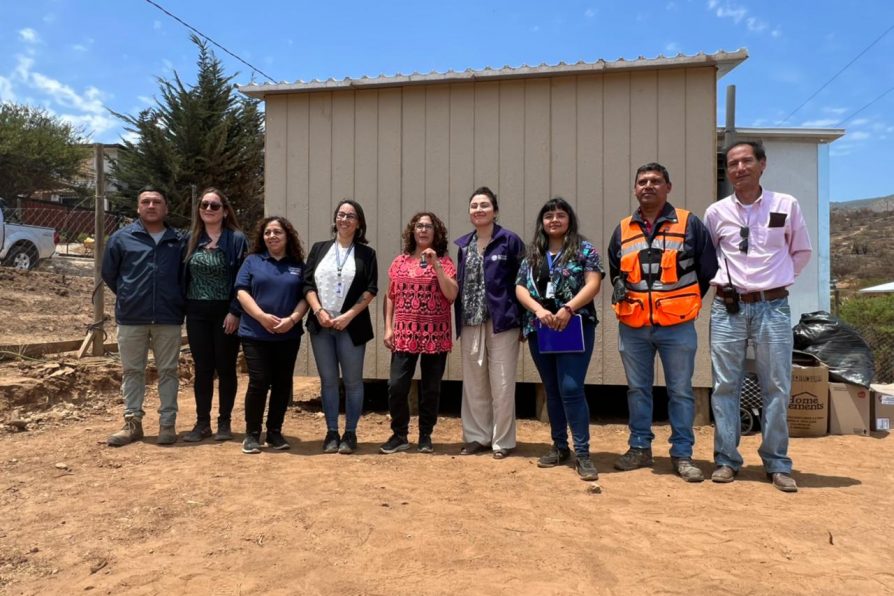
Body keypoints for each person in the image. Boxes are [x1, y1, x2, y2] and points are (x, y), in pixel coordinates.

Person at [705, 141, 812, 493]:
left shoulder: (786, 205)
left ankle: (777, 463)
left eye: (746, 161)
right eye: (733, 163)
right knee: (725, 385)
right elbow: (709, 258)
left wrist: (775, 283)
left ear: (762, 164)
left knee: (777, 385)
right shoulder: (716, 212)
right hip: (728, 308)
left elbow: (801, 251)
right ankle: (726, 460)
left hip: (774, 308)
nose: (739, 168)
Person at [608, 163, 718, 482]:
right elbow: (616, 268)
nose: (648, 186)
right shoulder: (623, 229)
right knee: (637, 390)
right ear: (634, 189)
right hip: (633, 325)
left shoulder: (689, 223)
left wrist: (685, 303)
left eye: (656, 181)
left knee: (681, 391)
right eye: (642, 182)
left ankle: (682, 454)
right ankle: (639, 448)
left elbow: (706, 269)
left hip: (677, 325)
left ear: (668, 187)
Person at [516, 198, 604, 481]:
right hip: (540, 327)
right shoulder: (533, 254)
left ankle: (583, 453)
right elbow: (519, 288)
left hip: (574, 325)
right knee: (551, 389)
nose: (554, 220)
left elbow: (594, 283)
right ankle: (559, 446)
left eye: (560, 215)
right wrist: (539, 310)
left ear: (569, 219)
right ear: (542, 222)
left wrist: (569, 308)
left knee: (571, 387)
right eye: (548, 216)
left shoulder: (584, 249)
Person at [102, 186, 185, 447]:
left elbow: (185, 277)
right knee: (132, 371)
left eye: (157, 202)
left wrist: (174, 299)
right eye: (146, 202)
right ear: (138, 208)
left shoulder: (179, 241)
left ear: (166, 208)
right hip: (131, 318)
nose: (151, 206)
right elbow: (110, 274)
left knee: (169, 371)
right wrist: (130, 295)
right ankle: (132, 424)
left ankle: (167, 424)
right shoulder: (121, 238)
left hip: (168, 318)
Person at [454, 187, 525, 459]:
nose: (479, 210)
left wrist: (523, 320)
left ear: (495, 210)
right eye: (474, 206)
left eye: (484, 205)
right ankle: (476, 437)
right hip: (471, 320)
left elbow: (523, 281)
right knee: (474, 383)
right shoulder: (464, 245)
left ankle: (503, 441)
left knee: (503, 383)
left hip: (503, 321)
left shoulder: (510, 241)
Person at [304, 200, 378, 455]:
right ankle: (332, 432)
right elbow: (306, 284)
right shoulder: (319, 249)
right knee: (328, 381)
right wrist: (318, 311)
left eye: (351, 216)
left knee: (353, 382)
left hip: (352, 326)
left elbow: (371, 289)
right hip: (321, 325)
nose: (344, 219)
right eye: (341, 214)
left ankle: (351, 433)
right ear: (335, 219)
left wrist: (348, 316)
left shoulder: (367, 254)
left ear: (359, 223)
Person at [380, 212, 458, 454]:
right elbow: (390, 296)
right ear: (412, 231)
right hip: (404, 333)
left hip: (435, 333)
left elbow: (451, 294)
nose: (423, 230)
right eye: (419, 226)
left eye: (428, 227)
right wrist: (388, 327)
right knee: (396, 385)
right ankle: (399, 434)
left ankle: (426, 434)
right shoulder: (399, 262)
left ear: (436, 233)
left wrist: (435, 265)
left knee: (431, 388)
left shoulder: (445, 263)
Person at [235, 216, 309, 454]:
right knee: (258, 382)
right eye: (268, 232)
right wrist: (261, 317)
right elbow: (241, 292)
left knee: (281, 383)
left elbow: (305, 297)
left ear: (287, 236)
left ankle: (274, 432)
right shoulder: (252, 261)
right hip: (255, 333)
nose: (272, 236)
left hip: (288, 334)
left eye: (277, 232)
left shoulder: (298, 265)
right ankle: (252, 434)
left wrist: (292, 320)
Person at [182, 188, 248, 443]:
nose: (209, 209)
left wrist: (235, 310)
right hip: (196, 313)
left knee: (226, 368)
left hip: (226, 313)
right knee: (203, 369)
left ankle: (224, 422)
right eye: (204, 205)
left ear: (225, 210)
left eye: (214, 206)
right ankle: (202, 423)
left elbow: (243, 277)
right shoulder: (190, 239)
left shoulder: (236, 239)